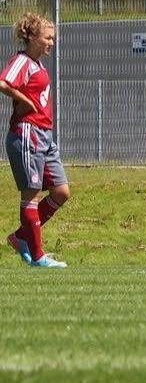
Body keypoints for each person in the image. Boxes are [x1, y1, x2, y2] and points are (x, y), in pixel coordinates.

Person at [4, 14, 69, 269]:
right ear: (32, 38)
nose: (52, 42)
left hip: (45, 135)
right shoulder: (23, 61)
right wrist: (25, 101)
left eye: (53, 37)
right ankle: (38, 256)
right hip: (27, 133)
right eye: (48, 37)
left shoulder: (39, 65)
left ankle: (21, 236)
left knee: (61, 192)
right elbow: (3, 82)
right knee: (30, 195)